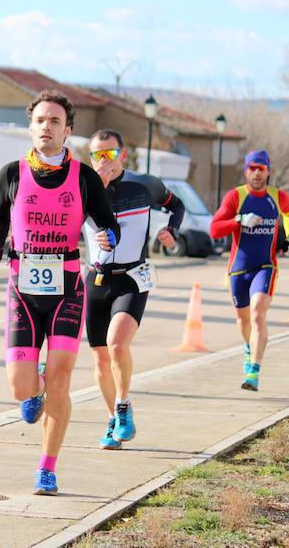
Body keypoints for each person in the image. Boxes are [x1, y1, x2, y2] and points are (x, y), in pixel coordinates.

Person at [0, 90, 120, 495]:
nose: (46, 127)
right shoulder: (11, 173)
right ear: (30, 127)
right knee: (20, 389)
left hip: (67, 288)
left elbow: (107, 224)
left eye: (55, 121)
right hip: (22, 289)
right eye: (40, 120)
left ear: (68, 131)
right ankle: (35, 385)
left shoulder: (84, 177)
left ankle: (47, 467)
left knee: (61, 381)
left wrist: (108, 237)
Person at [81, 129, 184, 450]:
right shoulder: (82, 188)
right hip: (96, 278)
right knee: (99, 359)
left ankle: (124, 405)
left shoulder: (144, 185)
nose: (103, 161)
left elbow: (176, 205)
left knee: (116, 345)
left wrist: (171, 231)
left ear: (122, 155)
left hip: (132, 278)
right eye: (97, 155)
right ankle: (113, 417)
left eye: (109, 154)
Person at [209, 150, 289, 391]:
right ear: (246, 170)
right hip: (238, 269)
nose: (257, 173)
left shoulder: (278, 197)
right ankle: (249, 347)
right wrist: (238, 220)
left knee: (258, 313)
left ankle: (253, 372)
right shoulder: (235, 196)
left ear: (268, 171)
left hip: (266, 266)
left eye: (261, 168)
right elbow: (214, 229)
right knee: (243, 319)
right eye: (252, 168)